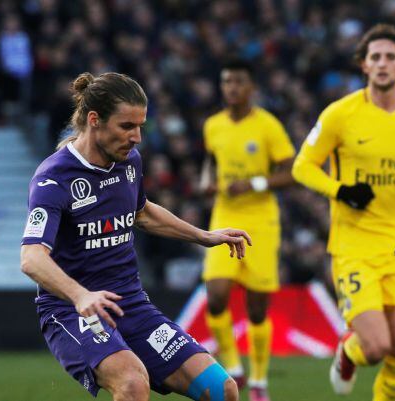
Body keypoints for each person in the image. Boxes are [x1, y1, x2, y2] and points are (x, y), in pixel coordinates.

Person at [20, 72, 247, 401]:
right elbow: (31, 258)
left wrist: (204, 236)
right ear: (94, 120)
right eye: (127, 126)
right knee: (131, 384)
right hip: (73, 310)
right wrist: (81, 295)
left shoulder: (128, 162)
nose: (137, 137)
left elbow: (141, 212)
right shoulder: (54, 178)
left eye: (140, 126)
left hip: (131, 304)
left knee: (222, 390)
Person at [292, 24, 395, 401]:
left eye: (391, 57)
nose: (383, 63)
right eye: (375, 57)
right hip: (354, 248)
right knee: (374, 348)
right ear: (364, 65)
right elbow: (302, 166)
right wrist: (340, 190)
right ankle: (348, 350)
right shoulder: (341, 114)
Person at [199, 59, 295, 401]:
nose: (231, 88)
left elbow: (291, 170)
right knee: (216, 296)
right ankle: (234, 369)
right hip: (224, 217)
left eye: (238, 82)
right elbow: (210, 162)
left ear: (251, 87)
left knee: (257, 309)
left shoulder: (268, 126)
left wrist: (254, 183)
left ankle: (258, 381)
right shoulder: (213, 125)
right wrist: (207, 182)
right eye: (226, 82)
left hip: (261, 222)